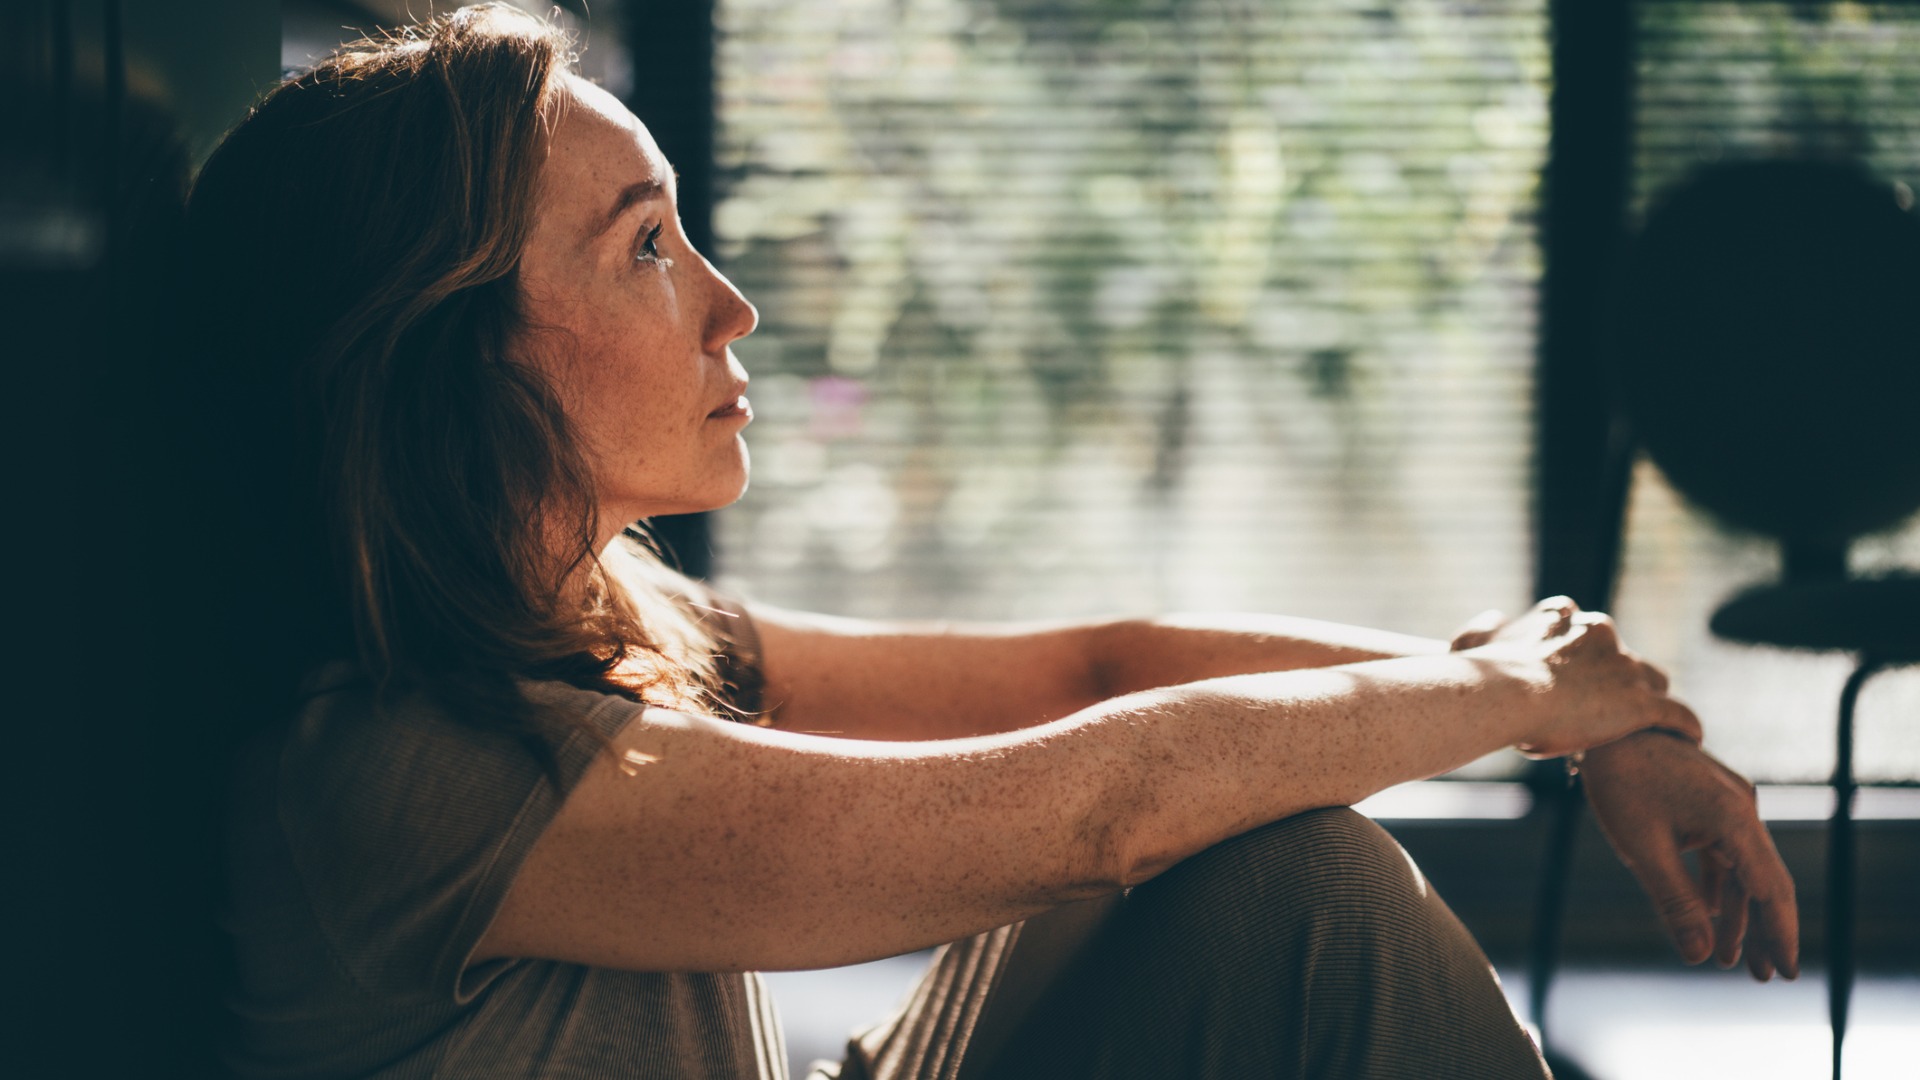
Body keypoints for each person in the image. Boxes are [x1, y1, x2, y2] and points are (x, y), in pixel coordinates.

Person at [189, 7, 1798, 1079]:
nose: (730, 306)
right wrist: (1529, 698)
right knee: (1253, 860)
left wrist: (1593, 711)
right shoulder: (398, 775)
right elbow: (1105, 803)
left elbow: (1093, 671)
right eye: (647, 248)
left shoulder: (602, 612)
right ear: (462, 357)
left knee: (1286, 866)